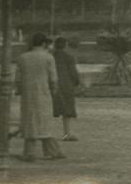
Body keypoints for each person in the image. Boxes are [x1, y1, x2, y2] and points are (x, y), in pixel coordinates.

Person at [15, 31, 65, 161]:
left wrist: (20, 90)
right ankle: (52, 151)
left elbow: (18, 79)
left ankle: (29, 152)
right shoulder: (48, 57)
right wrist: (54, 91)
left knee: (30, 120)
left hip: (27, 94)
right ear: (43, 43)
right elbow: (53, 78)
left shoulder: (22, 57)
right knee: (44, 120)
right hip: (43, 92)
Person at [52, 36, 81, 141]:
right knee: (67, 111)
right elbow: (73, 73)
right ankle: (66, 134)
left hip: (52, 85)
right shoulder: (69, 57)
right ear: (65, 45)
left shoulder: (51, 57)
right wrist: (77, 82)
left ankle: (44, 133)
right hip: (66, 85)